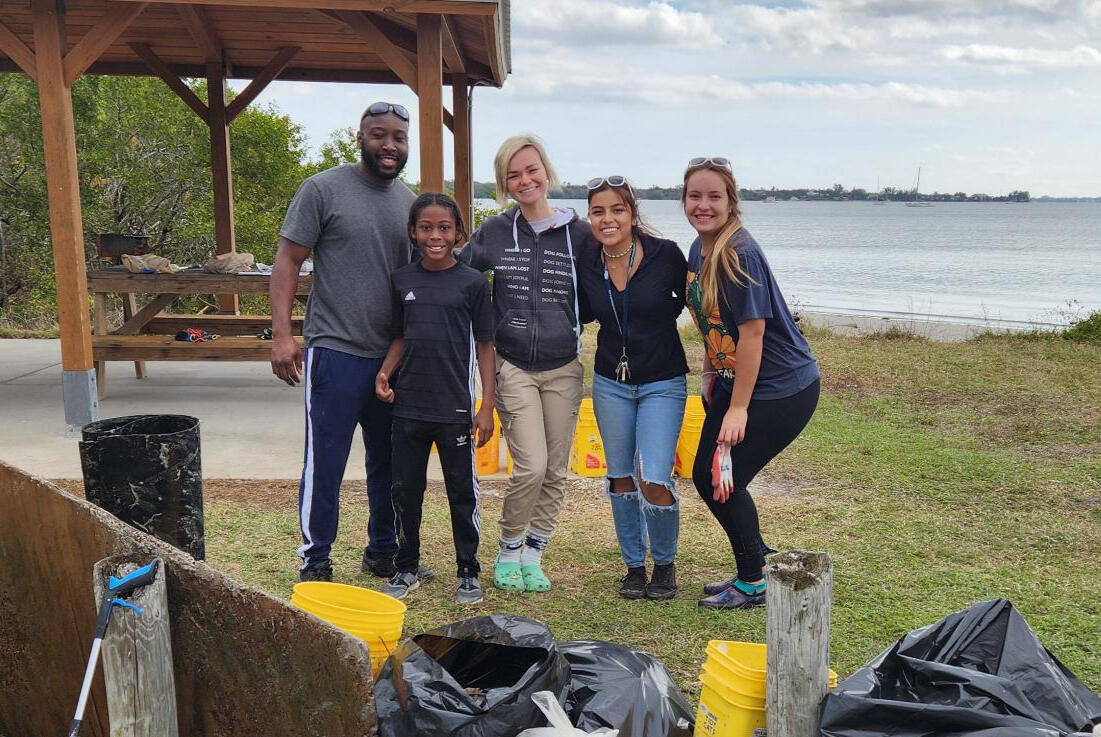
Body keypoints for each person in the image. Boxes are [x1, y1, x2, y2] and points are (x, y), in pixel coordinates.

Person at [270, 102, 416, 583]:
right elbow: (288, 261)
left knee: (388, 463)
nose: (389, 145)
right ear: (359, 137)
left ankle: (383, 551)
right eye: (379, 134)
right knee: (326, 462)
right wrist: (284, 335)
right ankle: (316, 560)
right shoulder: (322, 189)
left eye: (398, 136)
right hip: (335, 351)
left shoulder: (410, 204)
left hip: (391, 358)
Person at [682, 157, 820, 609]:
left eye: (713, 196)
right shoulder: (699, 249)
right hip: (731, 380)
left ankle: (753, 582)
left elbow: (753, 333)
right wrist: (708, 370)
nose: (703, 205)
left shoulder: (739, 252)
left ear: (730, 201)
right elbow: (710, 318)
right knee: (707, 474)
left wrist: (739, 407)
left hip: (780, 388)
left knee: (726, 478)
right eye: (694, 196)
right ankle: (756, 560)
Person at [460, 135, 590, 593]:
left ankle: (535, 553)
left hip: (564, 366)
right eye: (513, 175)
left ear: (547, 171)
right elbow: (459, 273)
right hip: (512, 364)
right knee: (531, 466)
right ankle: (509, 547)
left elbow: (606, 281)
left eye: (531, 170)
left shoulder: (580, 233)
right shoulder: (495, 231)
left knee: (556, 470)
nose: (525, 180)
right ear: (503, 184)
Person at [374, 193, 495, 605]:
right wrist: (386, 373)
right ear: (413, 232)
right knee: (405, 491)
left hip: (455, 411)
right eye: (426, 227)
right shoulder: (403, 280)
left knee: (462, 493)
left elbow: (485, 346)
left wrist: (486, 406)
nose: (435, 236)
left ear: (459, 233)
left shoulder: (473, 283)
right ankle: (405, 567)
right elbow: (400, 337)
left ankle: (468, 572)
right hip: (408, 408)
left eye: (444, 228)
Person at [576, 176, 688, 601]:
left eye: (617, 210)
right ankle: (633, 567)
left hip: (662, 380)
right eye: (599, 212)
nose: (608, 219)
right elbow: (581, 311)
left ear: (633, 214)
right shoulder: (588, 261)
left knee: (655, 475)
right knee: (621, 475)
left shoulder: (665, 254)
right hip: (611, 381)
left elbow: (693, 301)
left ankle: (664, 564)